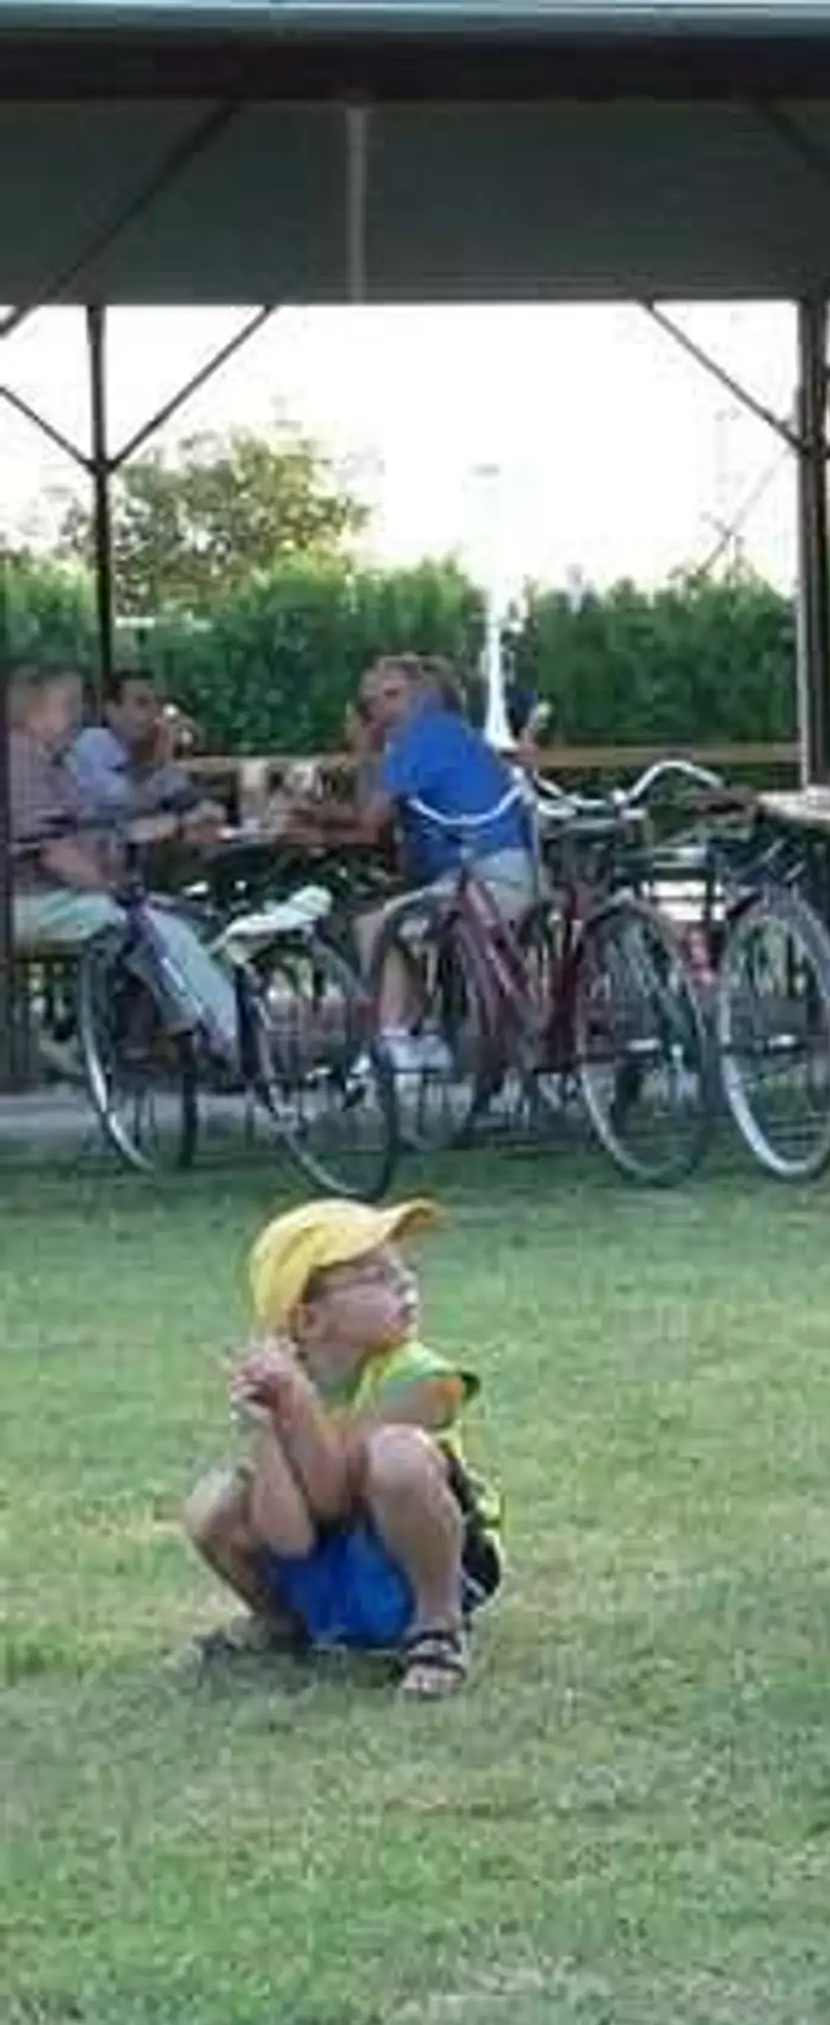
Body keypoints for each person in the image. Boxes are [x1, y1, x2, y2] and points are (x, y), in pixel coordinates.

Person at [181, 1196, 501, 1699]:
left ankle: (439, 1627)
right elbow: (292, 1540)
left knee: (397, 1456)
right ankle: (285, 1627)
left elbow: (334, 1496)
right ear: (308, 1321)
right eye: (374, 1275)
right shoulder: (285, 1387)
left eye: (403, 1269)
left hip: (417, 1566)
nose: (404, 1283)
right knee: (213, 1504)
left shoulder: (424, 1379)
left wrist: (300, 1405)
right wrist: (264, 1430)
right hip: (328, 1570)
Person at [6, 662, 238, 1045]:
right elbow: (56, 853)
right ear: (33, 711)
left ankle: (189, 1037)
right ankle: (230, 1040)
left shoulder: (55, 762)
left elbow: (95, 832)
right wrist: (113, 886)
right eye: (68, 705)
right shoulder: (19, 763)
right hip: (27, 901)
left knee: (190, 923)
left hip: (57, 895)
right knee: (156, 927)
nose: (78, 717)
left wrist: (153, 835)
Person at [349, 654, 539, 1072]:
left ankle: (396, 1046)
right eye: (370, 704)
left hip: (487, 880)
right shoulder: (455, 734)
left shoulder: (421, 739)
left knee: (373, 926)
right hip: (513, 874)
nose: (380, 710)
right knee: (403, 912)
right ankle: (427, 1035)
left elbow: (369, 820)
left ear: (419, 696)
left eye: (391, 696)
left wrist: (365, 751)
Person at [71, 666, 211, 840]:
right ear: (112, 710)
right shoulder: (91, 744)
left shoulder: (144, 748)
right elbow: (128, 803)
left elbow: (186, 796)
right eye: (142, 703)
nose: (153, 712)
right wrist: (160, 758)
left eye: (157, 703)